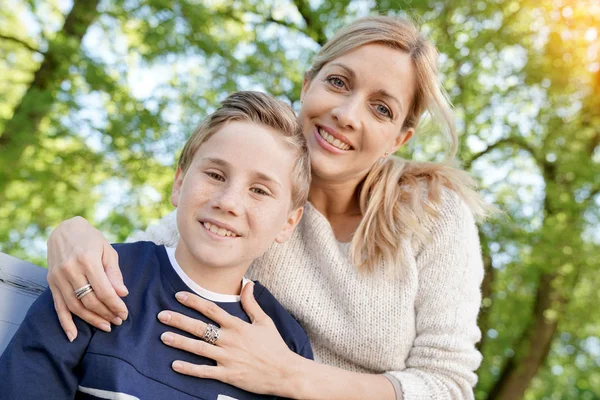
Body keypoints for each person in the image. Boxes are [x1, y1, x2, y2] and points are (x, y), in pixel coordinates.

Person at [45, 15, 489, 400]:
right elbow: (151, 258)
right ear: (306, 84)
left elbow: (446, 386)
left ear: (399, 139)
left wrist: (292, 376)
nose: (348, 114)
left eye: (381, 108)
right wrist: (73, 233)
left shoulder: (432, 213)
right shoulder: (250, 195)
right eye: (338, 82)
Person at [0, 91, 314, 399]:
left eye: (259, 190)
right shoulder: (99, 278)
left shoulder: (285, 344)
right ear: (179, 184)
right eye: (216, 175)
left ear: (288, 222)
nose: (228, 202)